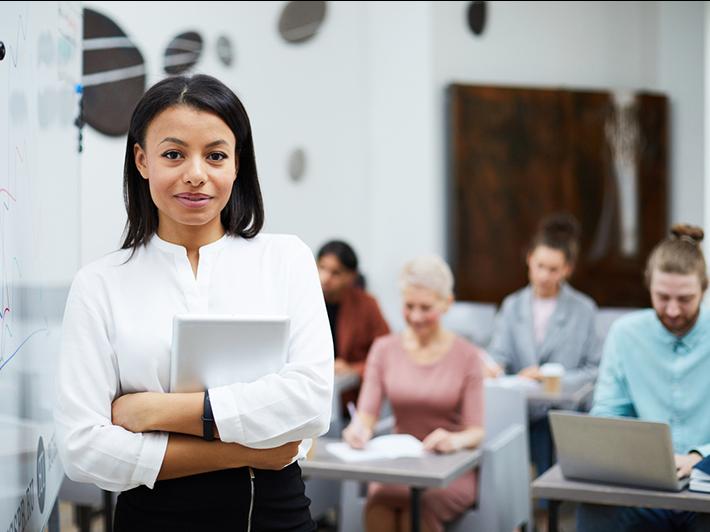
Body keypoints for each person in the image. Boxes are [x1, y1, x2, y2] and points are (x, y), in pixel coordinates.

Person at [54, 74, 333, 531]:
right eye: (173, 154)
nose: (196, 173)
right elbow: (83, 451)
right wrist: (246, 449)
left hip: (274, 516)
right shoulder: (99, 284)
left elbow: (311, 403)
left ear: (237, 164)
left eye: (216, 155)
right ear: (142, 161)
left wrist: (155, 411)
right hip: (154, 518)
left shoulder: (286, 258)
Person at [577, 224, 710, 532]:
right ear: (648, 286)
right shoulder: (625, 334)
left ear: (704, 289)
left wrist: (698, 456)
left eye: (685, 299)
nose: (673, 310)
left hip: (705, 485)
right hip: (643, 488)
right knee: (595, 513)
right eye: (662, 297)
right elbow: (608, 414)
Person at [342, 255, 485, 532]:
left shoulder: (467, 355)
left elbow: (476, 431)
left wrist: (452, 440)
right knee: (379, 503)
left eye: (426, 308)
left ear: (447, 304)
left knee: (419, 509)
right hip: (400, 465)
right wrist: (358, 430)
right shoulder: (384, 349)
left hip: (451, 467)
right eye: (409, 307)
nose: (416, 317)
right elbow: (366, 415)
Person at [487, 212, 601, 476]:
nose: (544, 276)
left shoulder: (584, 310)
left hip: (564, 411)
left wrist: (553, 379)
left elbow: (595, 369)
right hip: (521, 410)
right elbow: (498, 354)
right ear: (529, 260)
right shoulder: (512, 306)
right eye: (539, 266)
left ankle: (552, 507)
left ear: (567, 269)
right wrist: (496, 368)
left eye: (553, 269)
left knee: (549, 435)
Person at [317, 240, 390, 411]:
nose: (325, 278)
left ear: (351, 276)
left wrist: (354, 369)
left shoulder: (367, 305)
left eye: (335, 273)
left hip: (352, 401)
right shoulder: (305, 301)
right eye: (321, 268)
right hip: (312, 392)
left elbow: (389, 355)